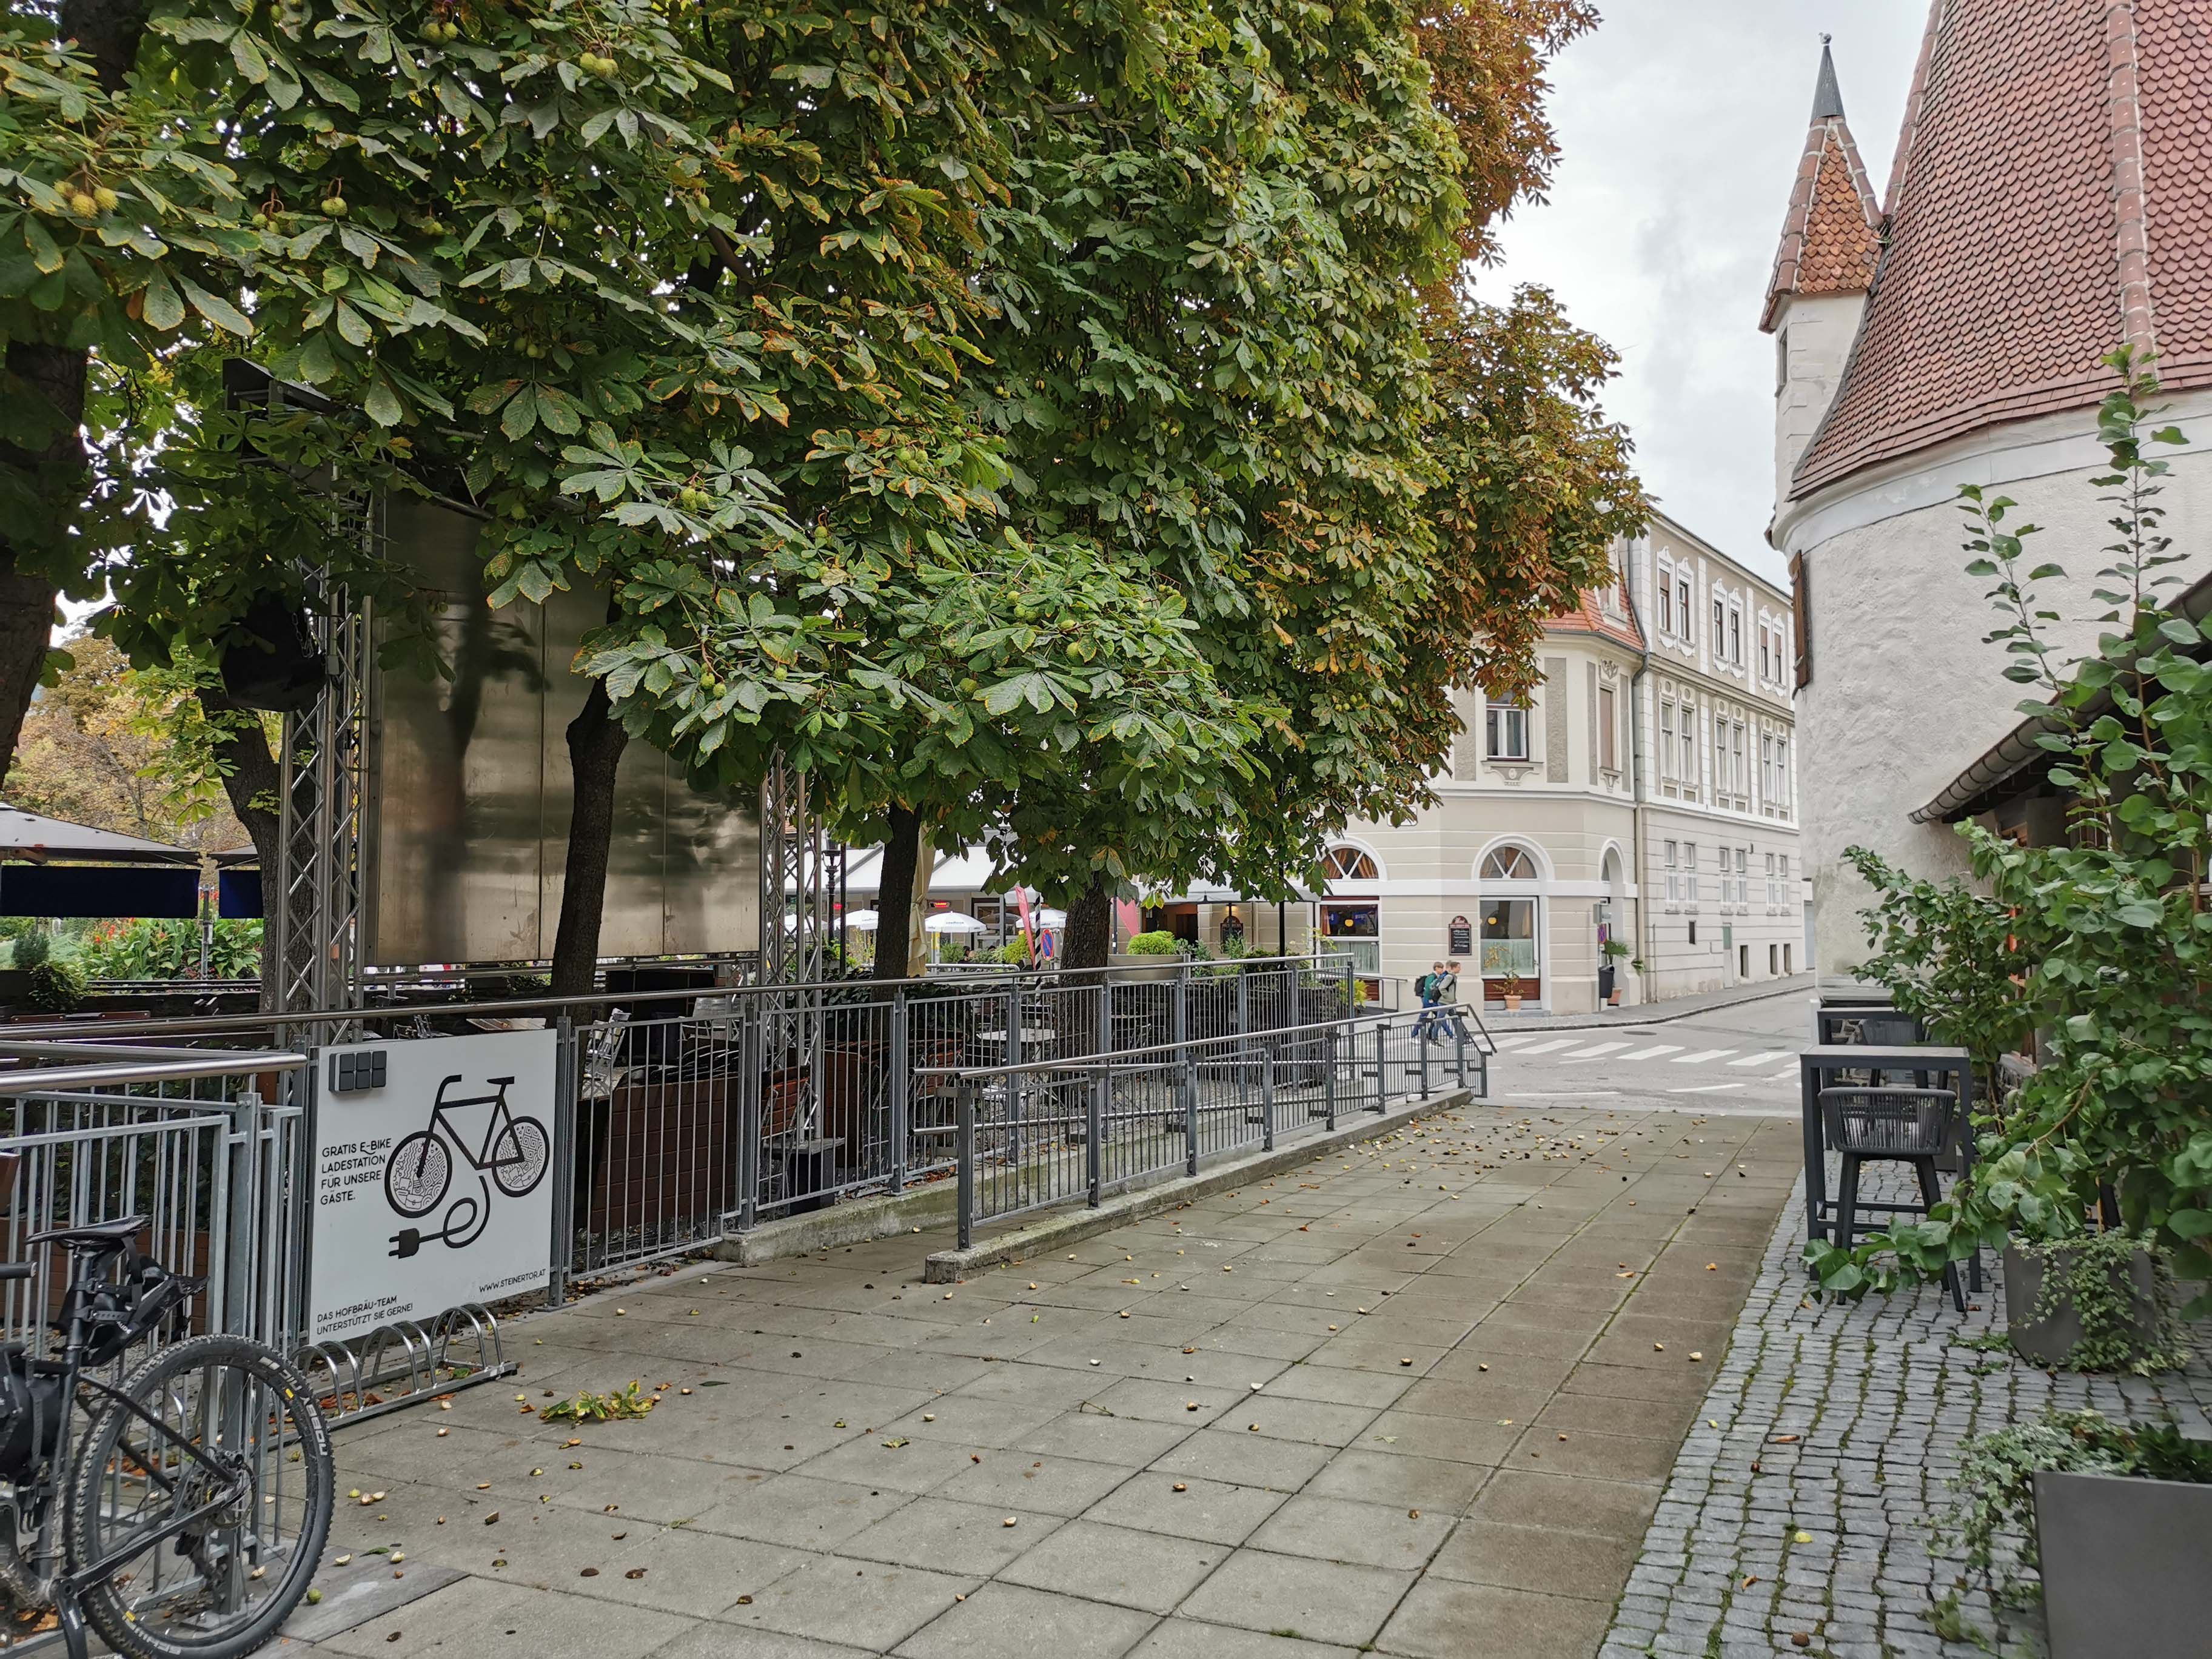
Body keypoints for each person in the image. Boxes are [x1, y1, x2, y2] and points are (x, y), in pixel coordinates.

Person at [1414, 960, 1444, 1041]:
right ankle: (1414, 1035)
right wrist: (1431, 998)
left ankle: (1430, 1033)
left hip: (1430, 1000)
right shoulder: (1432, 977)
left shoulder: (1435, 977)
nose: (1442, 970)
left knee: (1439, 1017)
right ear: (1436, 968)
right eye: (1441, 968)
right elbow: (1428, 988)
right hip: (1429, 1001)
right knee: (1424, 1017)